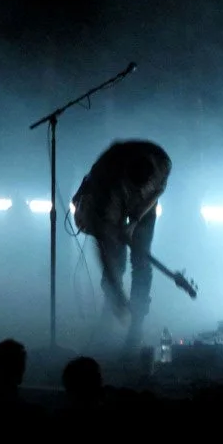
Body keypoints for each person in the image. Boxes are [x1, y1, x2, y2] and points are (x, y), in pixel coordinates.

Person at [72, 139, 172, 351]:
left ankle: (136, 324)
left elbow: (157, 191)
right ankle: (111, 310)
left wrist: (135, 220)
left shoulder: (162, 162)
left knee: (141, 260)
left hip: (144, 208)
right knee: (116, 261)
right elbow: (103, 247)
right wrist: (117, 291)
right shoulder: (105, 188)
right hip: (109, 201)